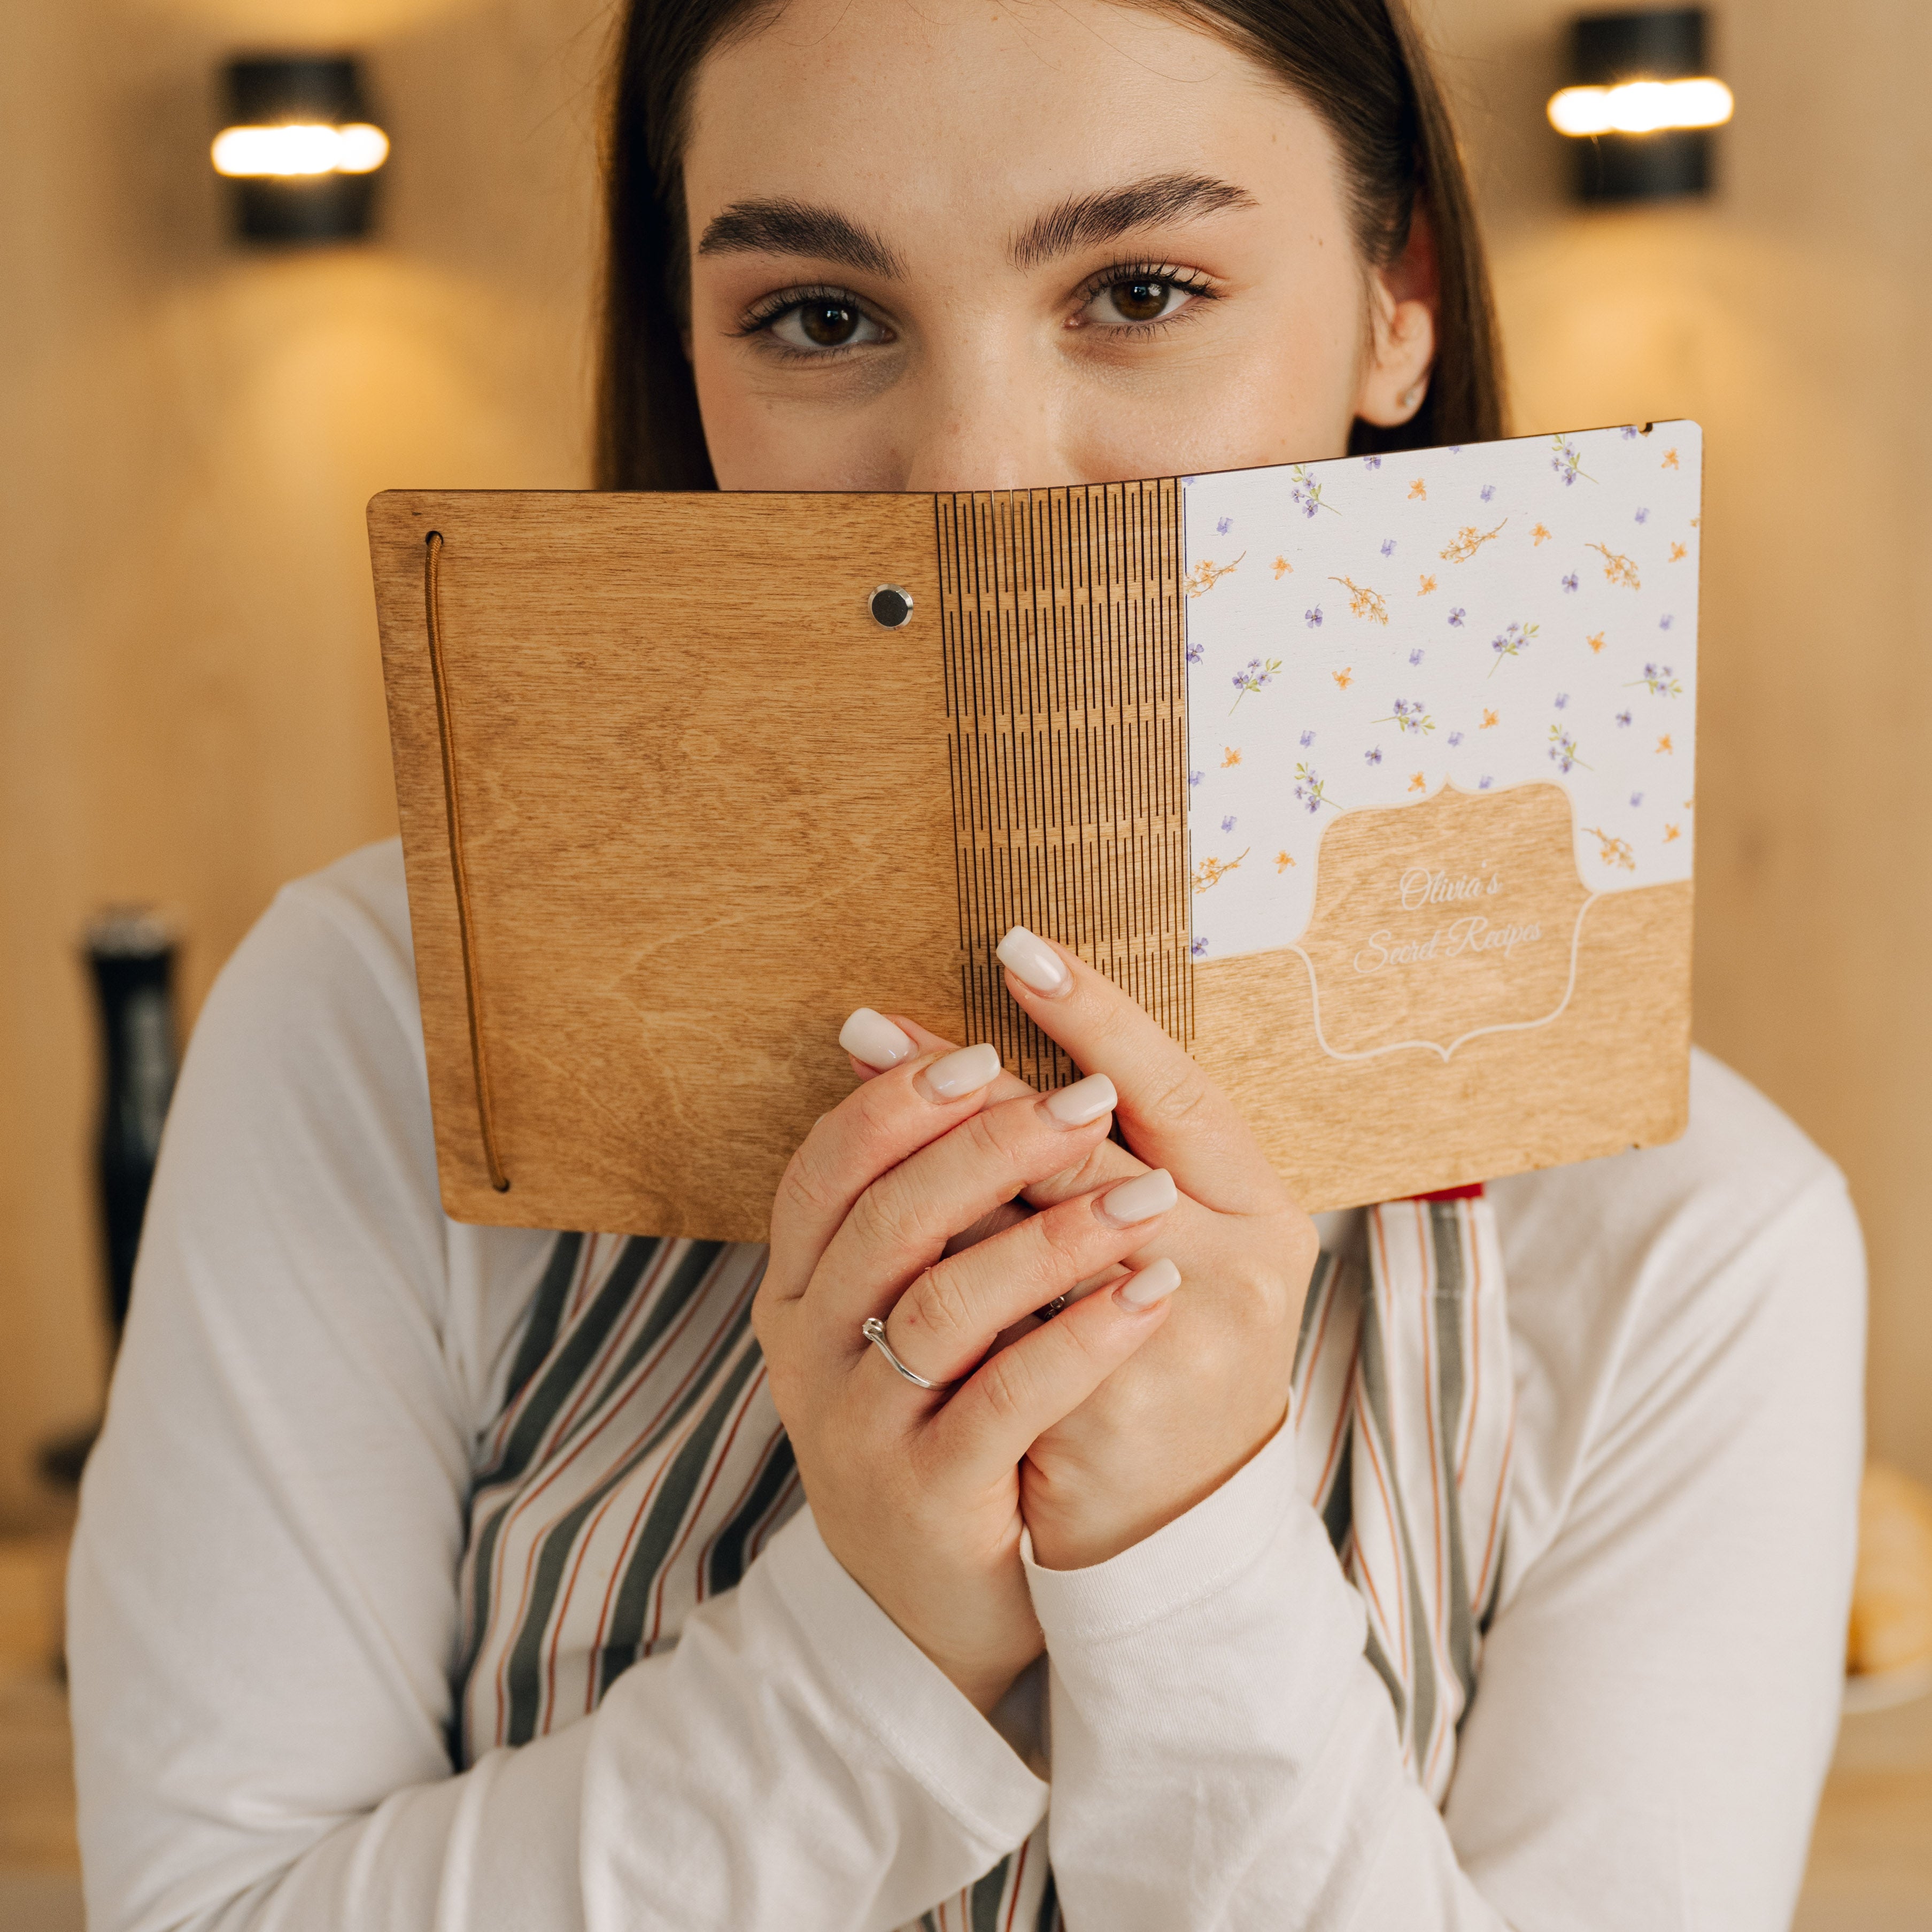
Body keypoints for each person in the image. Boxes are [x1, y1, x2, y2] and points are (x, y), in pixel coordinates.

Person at [68, 2, 1866, 1928]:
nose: (982, 472)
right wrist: (876, 1644)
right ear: (693, 354)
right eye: (822, 318)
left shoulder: (1696, 1241)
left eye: (1144, 288)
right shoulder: (378, 1028)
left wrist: (1179, 1562)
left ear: (1393, 297)